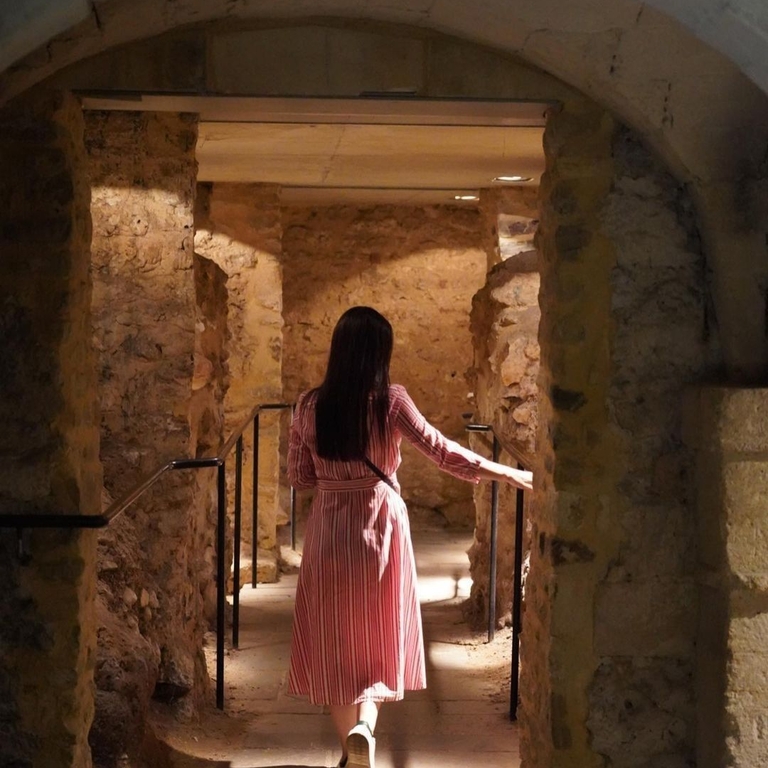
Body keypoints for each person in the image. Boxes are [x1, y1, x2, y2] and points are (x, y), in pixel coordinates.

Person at [287, 306, 533, 768]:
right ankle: (366, 725)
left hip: (328, 531)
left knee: (336, 640)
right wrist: (509, 472)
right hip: (380, 524)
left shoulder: (306, 406)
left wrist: (332, 473)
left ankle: (349, 752)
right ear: (380, 353)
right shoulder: (390, 401)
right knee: (379, 633)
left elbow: (299, 477)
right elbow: (441, 451)